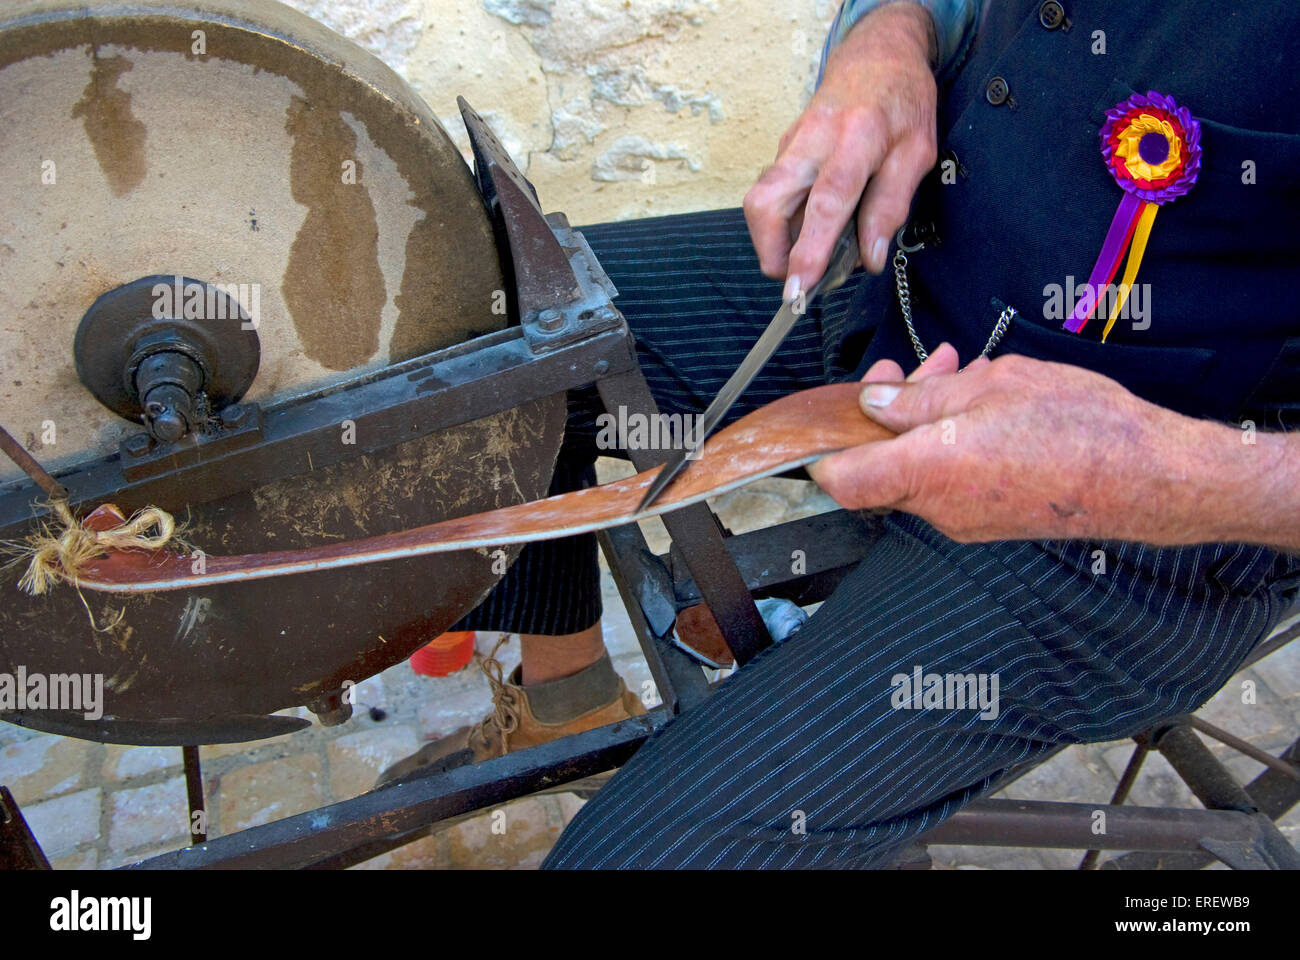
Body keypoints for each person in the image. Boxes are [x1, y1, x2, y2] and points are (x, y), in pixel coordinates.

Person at [384, 0, 1300, 868]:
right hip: (898, 281)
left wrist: (1163, 473)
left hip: (1126, 528)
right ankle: (565, 699)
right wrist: (890, 35)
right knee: (482, 332)